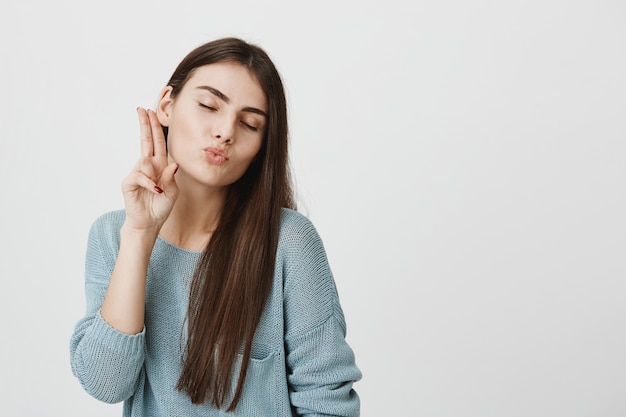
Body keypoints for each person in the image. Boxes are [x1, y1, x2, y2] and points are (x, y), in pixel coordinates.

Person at [69, 37, 361, 416]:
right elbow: (105, 383)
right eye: (209, 105)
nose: (225, 131)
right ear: (167, 106)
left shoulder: (288, 243)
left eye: (249, 123)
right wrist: (140, 237)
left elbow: (327, 404)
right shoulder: (113, 235)